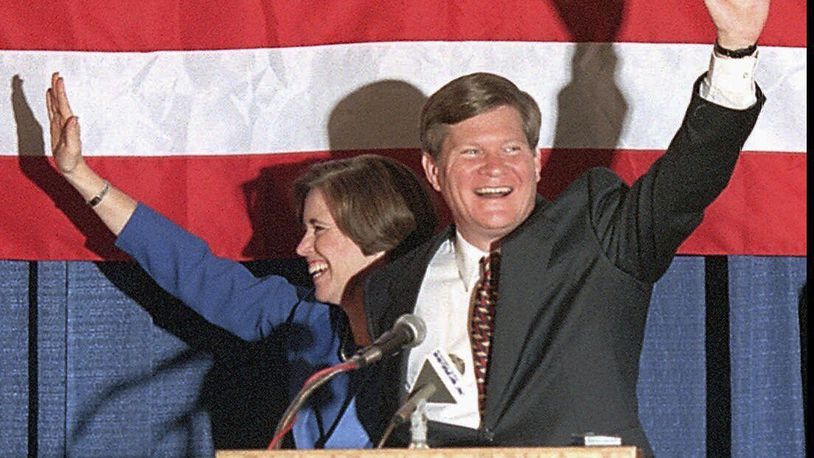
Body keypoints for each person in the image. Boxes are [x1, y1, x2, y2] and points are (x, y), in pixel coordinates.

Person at [356, 1, 769, 455]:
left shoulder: (598, 233)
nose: (494, 169)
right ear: (433, 172)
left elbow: (689, 178)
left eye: (512, 149)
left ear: (535, 163)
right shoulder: (392, 288)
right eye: (471, 153)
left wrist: (735, 50)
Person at [45, 73, 437, 448]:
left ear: (373, 233)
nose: (301, 249)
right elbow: (191, 268)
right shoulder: (308, 318)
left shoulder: (440, 329)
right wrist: (80, 175)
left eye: (319, 229)